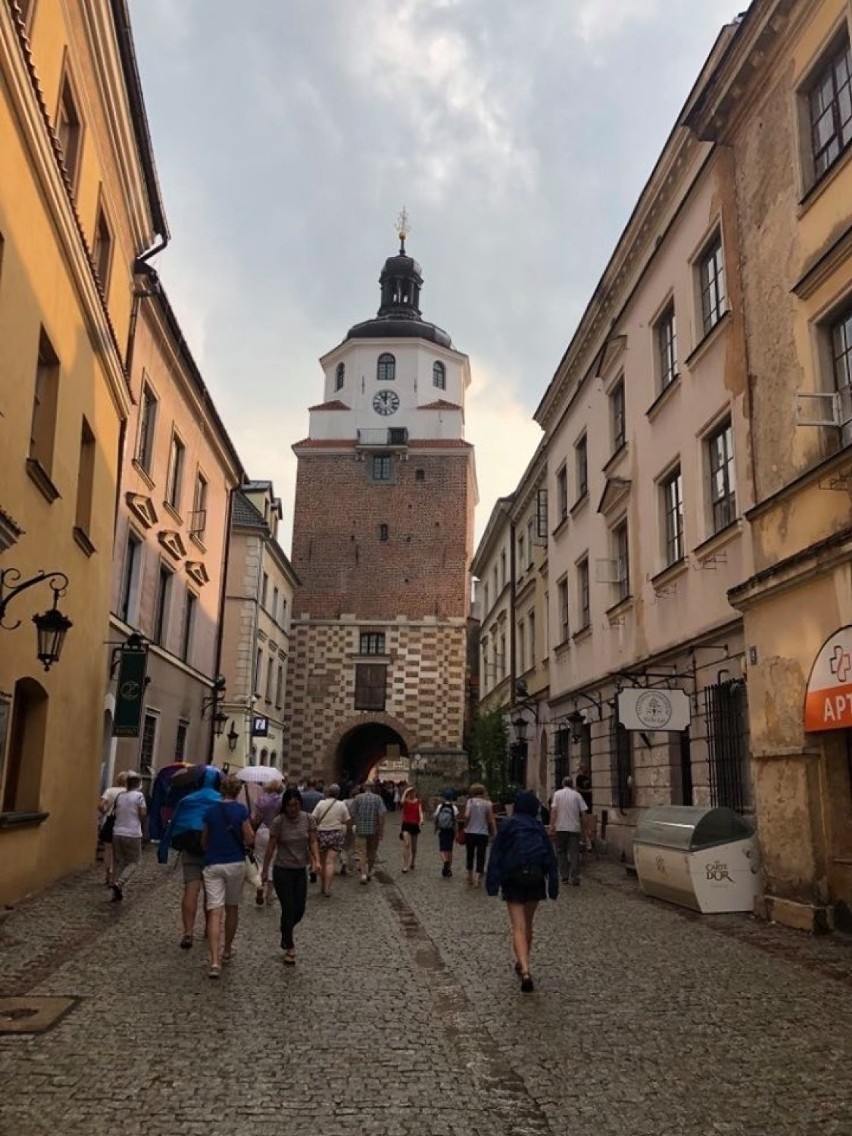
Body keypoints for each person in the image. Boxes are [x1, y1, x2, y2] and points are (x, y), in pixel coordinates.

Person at [486, 790, 558, 993]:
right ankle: (524, 960)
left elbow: (497, 855)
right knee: (528, 923)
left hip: (513, 877)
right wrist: (553, 885)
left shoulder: (508, 825)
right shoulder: (537, 827)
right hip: (535, 877)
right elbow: (550, 858)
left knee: (518, 926)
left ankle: (525, 969)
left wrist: (492, 883)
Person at [201, 775, 254, 979]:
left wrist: (210, 848)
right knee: (232, 908)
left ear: (222, 790)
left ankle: (214, 962)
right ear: (237, 791)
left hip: (213, 863)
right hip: (235, 863)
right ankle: (228, 949)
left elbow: (204, 839)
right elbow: (249, 837)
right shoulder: (241, 810)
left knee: (214, 912)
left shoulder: (210, 811)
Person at [164, 766, 222, 948]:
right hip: (213, 849)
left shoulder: (187, 799)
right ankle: (208, 928)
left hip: (190, 847)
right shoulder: (221, 801)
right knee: (211, 892)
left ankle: (188, 932)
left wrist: (163, 850)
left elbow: (174, 824)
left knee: (191, 889)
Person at [261, 789, 320, 964]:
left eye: (295, 805)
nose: (292, 809)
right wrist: (265, 870)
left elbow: (313, 841)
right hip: (282, 870)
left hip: (300, 870)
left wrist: (316, 860)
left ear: (300, 804)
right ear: (284, 806)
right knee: (288, 908)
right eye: (289, 805)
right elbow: (271, 847)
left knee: (299, 909)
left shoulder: (308, 819)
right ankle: (290, 946)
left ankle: (286, 930)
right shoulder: (279, 822)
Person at [110, 771, 147, 902]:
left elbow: (115, 812)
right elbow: (142, 814)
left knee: (119, 861)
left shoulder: (120, 796)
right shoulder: (139, 796)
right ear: (138, 784)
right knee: (134, 861)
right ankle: (119, 883)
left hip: (117, 832)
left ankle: (116, 891)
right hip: (132, 833)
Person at [311, 784, 351, 897]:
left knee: (323, 862)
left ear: (327, 793)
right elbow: (347, 819)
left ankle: (322, 886)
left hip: (322, 833)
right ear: (338, 794)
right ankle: (328, 887)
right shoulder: (341, 804)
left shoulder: (321, 803)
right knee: (330, 861)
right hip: (336, 834)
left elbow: (314, 818)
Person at [549, 776, 588, 885]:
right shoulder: (577, 795)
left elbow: (554, 811)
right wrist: (586, 828)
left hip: (561, 827)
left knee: (561, 852)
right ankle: (575, 877)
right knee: (574, 853)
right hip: (574, 828)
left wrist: (552, 825)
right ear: (572, 784)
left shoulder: (557, 794)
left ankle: (564, 876)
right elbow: (584, 813)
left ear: (563, 784)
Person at [251, 778, 284, 906]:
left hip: (261, 831)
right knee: (272, 863)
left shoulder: (260, 800)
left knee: (259, 862)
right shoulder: (280, 801)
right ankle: (269, 895)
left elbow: (256, 818)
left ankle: (260, 886)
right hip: (275, 832)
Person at [349, 781, 386, 884]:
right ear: (373, 787)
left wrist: (354, 824)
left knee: (361, 852)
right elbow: (381, 815)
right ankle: (369, 871)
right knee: (372, 852)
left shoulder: (358, 798)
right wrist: (381, 830)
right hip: (374, 830)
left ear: (364, 787)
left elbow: (352, 813)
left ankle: (363, 874)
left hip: (361, 829)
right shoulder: (378, 798)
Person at [98, 770, 128, 887]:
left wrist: (105, 811)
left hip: (109, 822)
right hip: (123, 823)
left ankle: (107, 876)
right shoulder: (130, 793)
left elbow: (101, 805)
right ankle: (115, 876)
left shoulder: (110, 791)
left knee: (108, 851)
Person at [463, 783, 496, 887]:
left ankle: (469, 877)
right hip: (482, 833)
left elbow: (467, 815)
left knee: (470, 854)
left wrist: (466, 825)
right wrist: (494, 831)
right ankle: (478, 878)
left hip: (470, 832)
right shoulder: (488, 803)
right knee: (481, 855)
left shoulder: (470, 802)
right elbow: (490, 819)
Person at [434, 790, 458, 878]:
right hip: (450, 830)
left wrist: (435, 828)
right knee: (449, 850)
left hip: (442, 830)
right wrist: (456, 833)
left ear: (444, 798)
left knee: (442, 849)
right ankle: (449, 869)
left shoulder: (440, 807)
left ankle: (445, 861)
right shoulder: (454, 808)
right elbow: (455, 821)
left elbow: (436, 818)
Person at [399, 786, 423, 873]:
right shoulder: (405, 801)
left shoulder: (418, 802)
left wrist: (421, 819)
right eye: (411, 792)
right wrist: (405, 791)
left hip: (414, 825)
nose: (412, 794)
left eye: (413, 792)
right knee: (407, 844)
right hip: (406, 825)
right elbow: (401, 802)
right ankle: (405, 865)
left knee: (414, 847)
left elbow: (420, 811)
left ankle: (413, 861)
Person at [575, 762, 594, 850]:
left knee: (587, 823)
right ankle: (584, 841)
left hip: (588, 804)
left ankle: (587, 841)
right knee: (583, 822)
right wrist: (588, 791)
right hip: (583, 803)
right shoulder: (579, 778)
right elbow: (578, 789)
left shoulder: (587, 777)